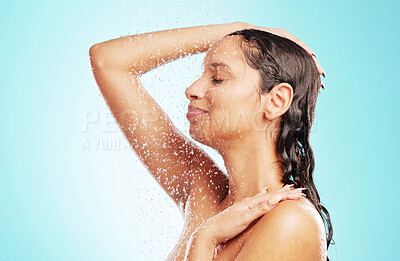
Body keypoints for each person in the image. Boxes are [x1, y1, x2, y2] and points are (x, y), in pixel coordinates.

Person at [89, 22, 333, 260]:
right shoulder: (202, 189)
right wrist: (241, 30)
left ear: (276, 101)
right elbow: (108, 60)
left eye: (217, 78)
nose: (191, 89)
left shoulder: (289, 222)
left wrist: (204, 240)